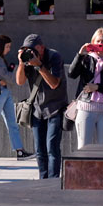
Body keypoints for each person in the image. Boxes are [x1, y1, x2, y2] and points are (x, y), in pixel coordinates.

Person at [16, 34, 67, 179]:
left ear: (42, 48)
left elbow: (54, 84)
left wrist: (39, 65)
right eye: (27, 49)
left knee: (52, 147)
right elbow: (19, 82)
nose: (30, 52)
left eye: (33, 49)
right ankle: (42, 181)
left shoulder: (54, 57)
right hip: (37, 110)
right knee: (40, 150)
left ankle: (53, 182)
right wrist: (21, 63)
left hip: (55, 108)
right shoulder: (26, 60)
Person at [68, 28, 103, 148]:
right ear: (92, 42)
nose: (100, 44)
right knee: (83, 147)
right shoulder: (86, 59)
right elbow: (72, 74)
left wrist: (97, 87)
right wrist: (80, 55)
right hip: (85, 108)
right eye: (98, 41)